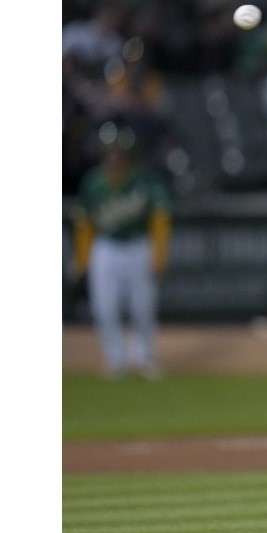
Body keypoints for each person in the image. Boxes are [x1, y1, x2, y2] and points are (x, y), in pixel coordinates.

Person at [71, 125, 173, 380]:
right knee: (104, 307)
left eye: (118, 153)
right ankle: (116, 359)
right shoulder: (94, 182)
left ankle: (144, 357)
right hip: (106, 247)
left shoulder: (144, 180)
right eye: (110, 153)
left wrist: (159, 255)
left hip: (138, 245)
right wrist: (82, 260)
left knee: (143, 307)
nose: (114, 157)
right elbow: (84, 225)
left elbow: (160, 217)